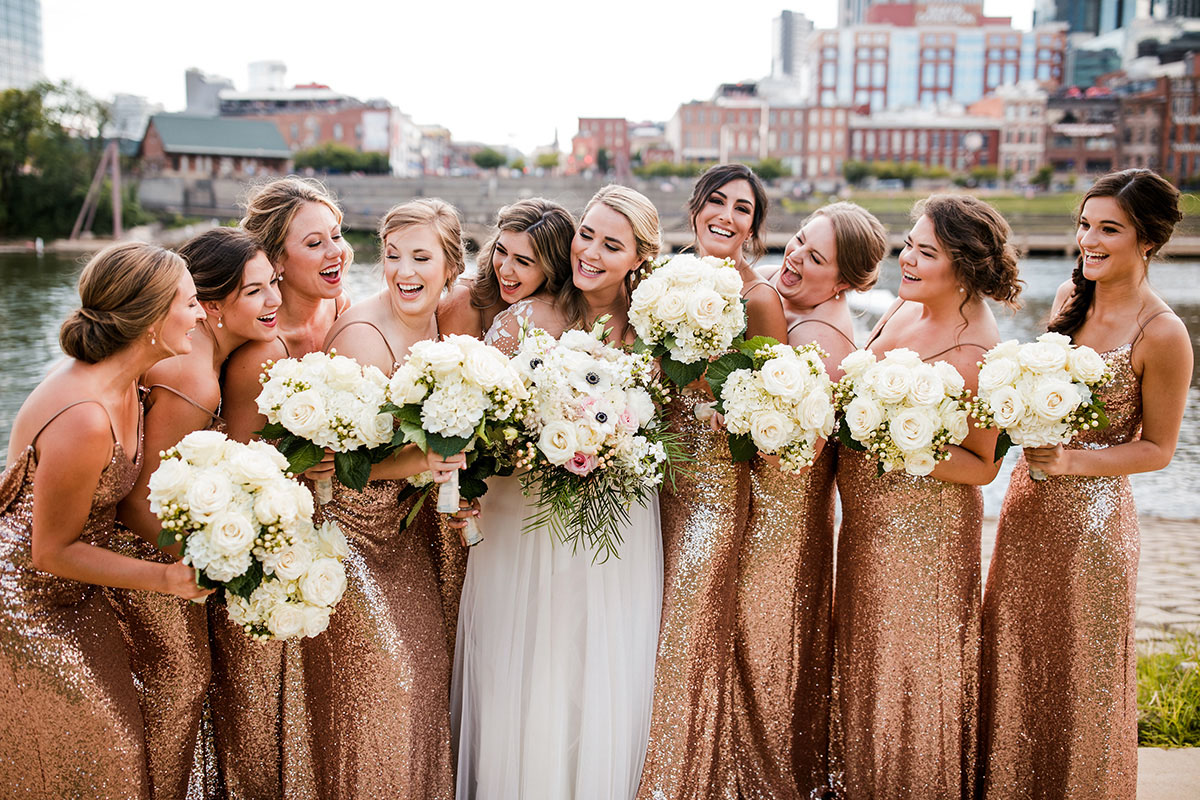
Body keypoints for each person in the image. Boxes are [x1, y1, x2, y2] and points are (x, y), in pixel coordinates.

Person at [979, 169, 1191, 799]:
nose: (1088, 240)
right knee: (1017, 651)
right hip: (1027, 506)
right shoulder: (1069, 303)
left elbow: (1159, 450)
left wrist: (1075, 462)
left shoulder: (1164, 333)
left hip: (1095, 525)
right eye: (1084, 225)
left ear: (1147, 240)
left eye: (1108, 229)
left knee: (1081, 670)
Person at [453, 186, 662, 800]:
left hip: (615, 523)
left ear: (638, 258)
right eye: (587, 233)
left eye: (611, 244)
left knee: (595, 659)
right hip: (522, 515)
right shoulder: (523, 319)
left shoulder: (658, 329)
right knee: (522, 664)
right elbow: (479, 420)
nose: (590, 252)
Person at [0, 242, 212, 799]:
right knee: (107, 756)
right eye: (190, 304)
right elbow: (48, 549)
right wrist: (169, 579)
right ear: (151, 319)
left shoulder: (133, 386)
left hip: (82, 595)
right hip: (27, 604)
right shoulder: (85, 416)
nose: (200, 315)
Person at [832, 195, 1020, 798]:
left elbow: (983, 466)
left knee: (907, 675)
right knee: (863, 668)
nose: (906, 258)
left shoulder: (981, 354)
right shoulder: (902, 307)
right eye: (909, 244)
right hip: (865, 525)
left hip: (922, 540)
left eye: (925, 252)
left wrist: (890, 434)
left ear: (963, 266)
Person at [298, 198, 468, 798]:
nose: (403, 272)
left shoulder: (453, 327)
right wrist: (420, 461)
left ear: (451, 266)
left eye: (421, 257)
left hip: (415, 539)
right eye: (392, 256)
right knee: (393, 688)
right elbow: (336, 468)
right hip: (355, 542)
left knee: (430, 687)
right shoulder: (365, 338)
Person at [104, 228, 281, 800]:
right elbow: (136, 503)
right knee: (175, 688)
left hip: (163, 550)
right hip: (139, 558)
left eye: (274, 284)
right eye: (255, 292)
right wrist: (222, 569)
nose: (273, 300)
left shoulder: (214, 358)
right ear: (211, 306)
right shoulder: (194, 378)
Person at [638, 163, 786, 800]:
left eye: (743, 209)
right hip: (649, 485)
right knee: (646, 632)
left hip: (714, 494)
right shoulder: (658, 281)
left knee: (685, 637)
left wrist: (734, 413)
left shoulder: (759, 299)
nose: (727, 216)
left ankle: (676, 785)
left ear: (755, 226)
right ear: (696, 207)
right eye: (717, 202)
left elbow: (778, 411)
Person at [732, 203, 887, 797]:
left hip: (782, 524)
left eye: (814, 257)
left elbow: (793, 448)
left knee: (767, 657)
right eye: (798, 241)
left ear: (843, 281)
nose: (794, 256)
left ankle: (769, 784)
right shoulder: (783, 298)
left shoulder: (824, 340)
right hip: (758, 512)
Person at [213, 176, 352, 798]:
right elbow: (245, 474)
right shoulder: (255, 353)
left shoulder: (344, 314)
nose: (337, 253)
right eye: (316, 243)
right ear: (274, 259)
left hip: (349, 534)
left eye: (339, 237)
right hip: (276, 545)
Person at [433, 198, 576, 655]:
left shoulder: (557, 313)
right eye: (502, 251)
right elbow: (448, 394)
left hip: (522, 480)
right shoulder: (466, 299)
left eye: (524, 261)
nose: (506, 269)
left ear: (552, 267)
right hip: (461, 473)